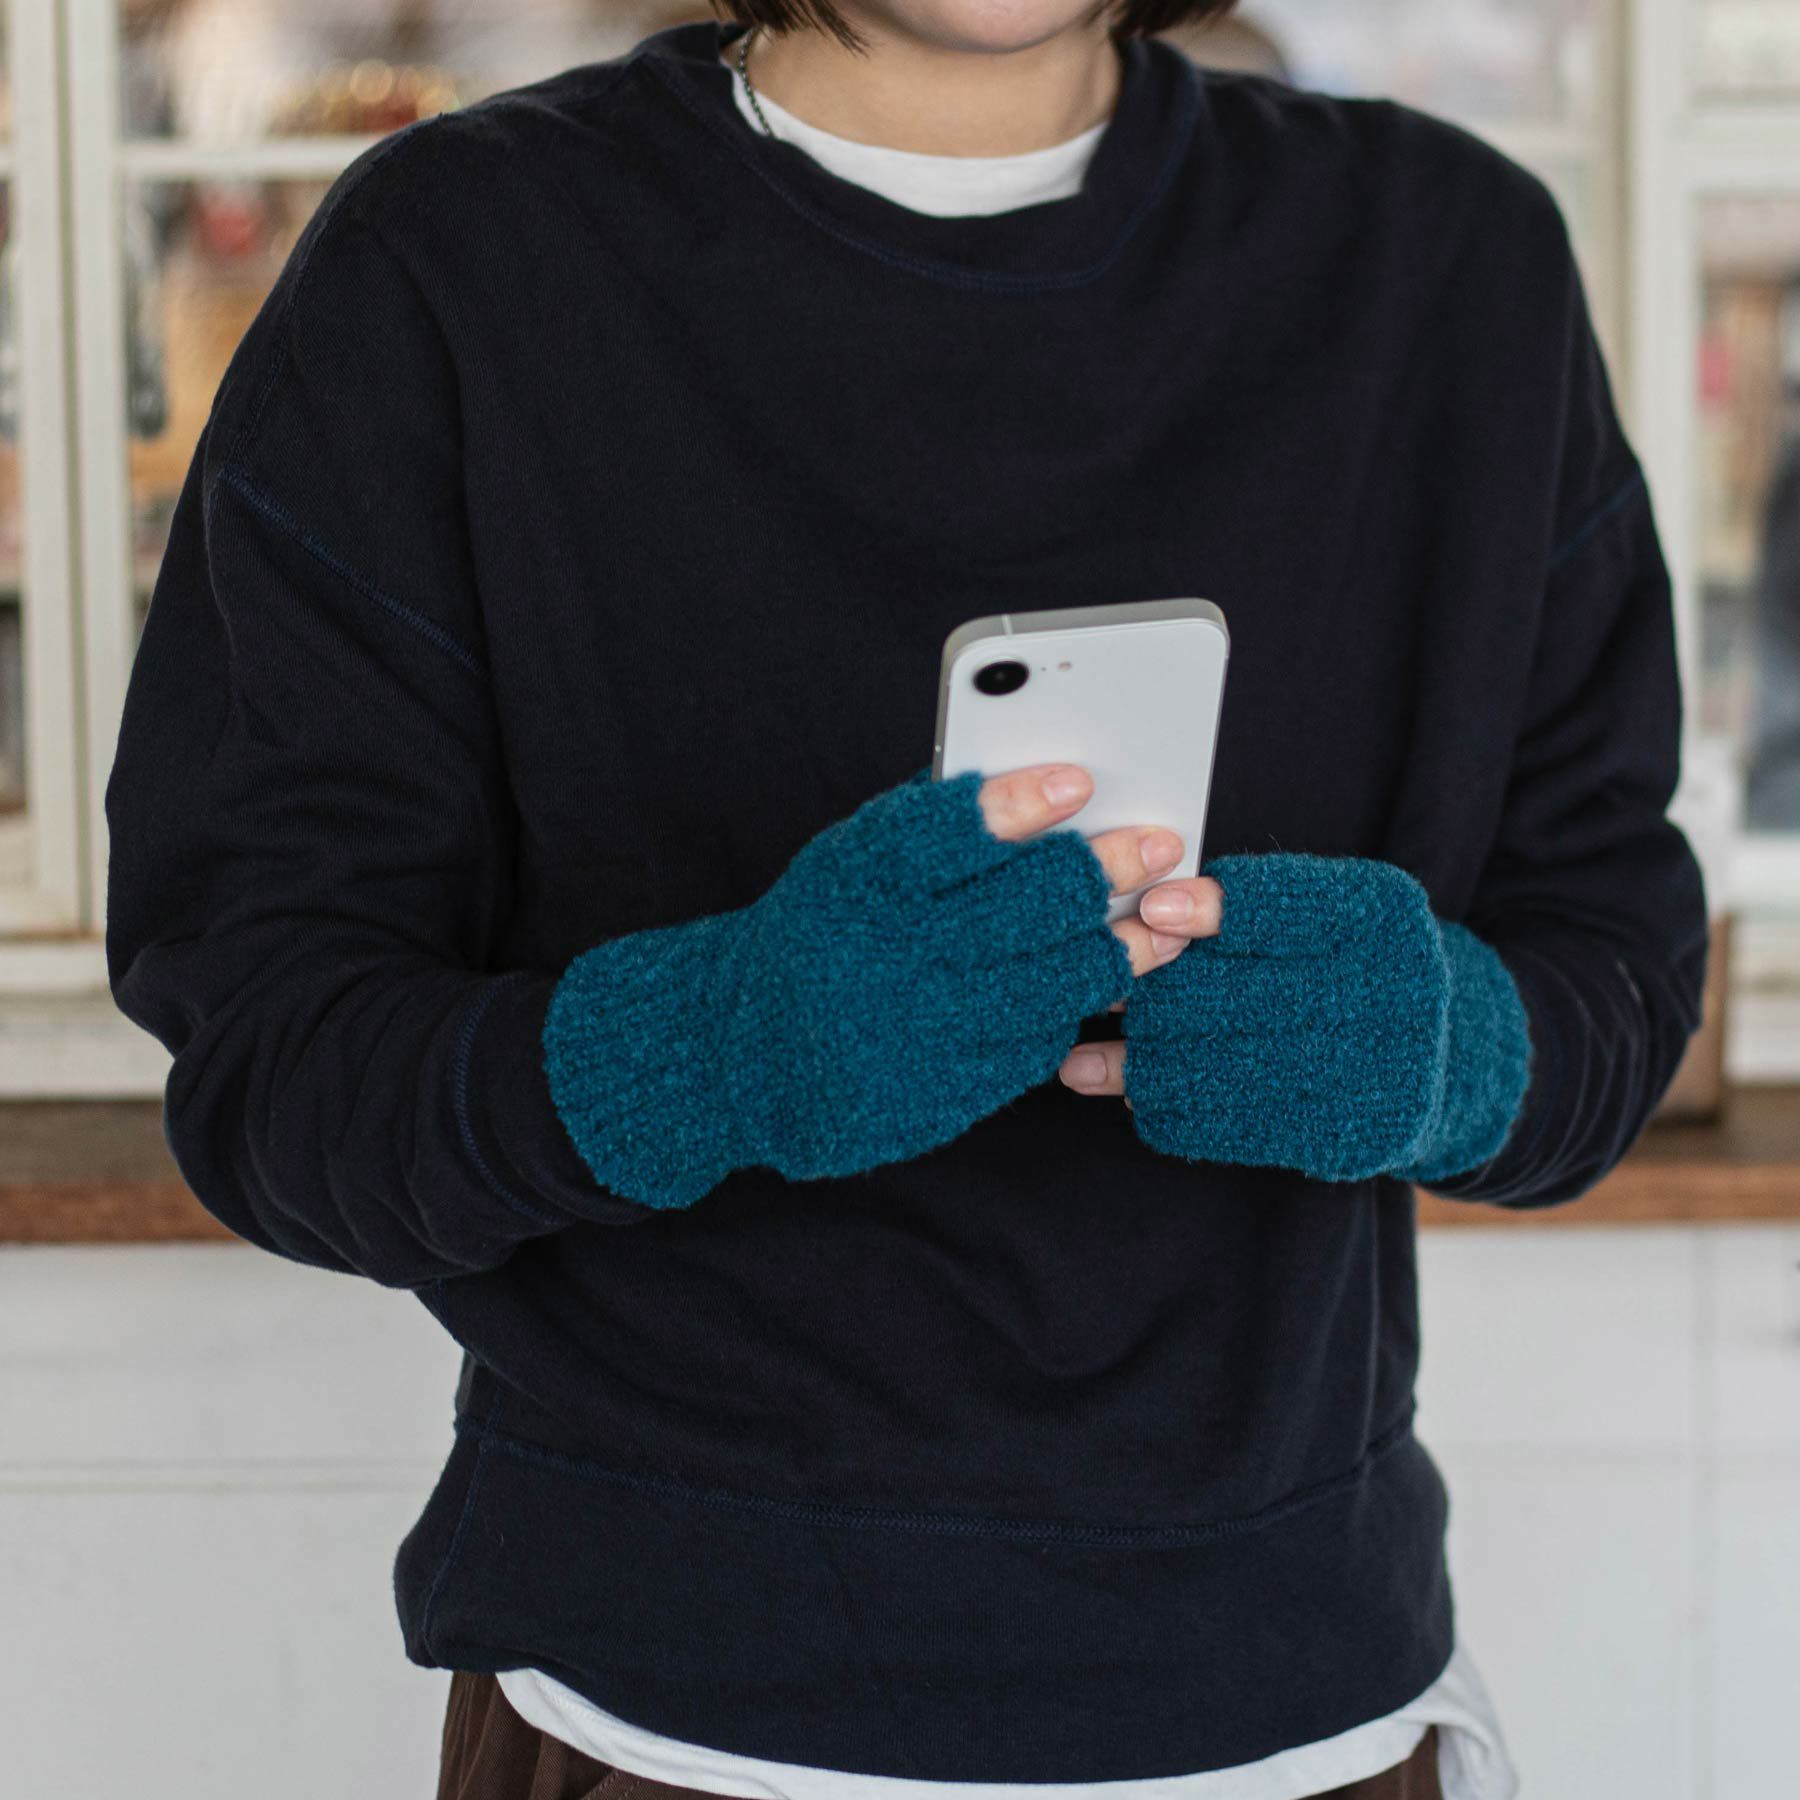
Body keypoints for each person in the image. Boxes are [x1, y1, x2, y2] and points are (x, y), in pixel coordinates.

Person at [102, 3, 1708, 1798]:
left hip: (1303, 1704)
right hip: (673, 1719)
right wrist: (714, 1046)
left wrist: (1439, 1050)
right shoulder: (458, 263)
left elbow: (1617, 976)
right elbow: (275, 1071)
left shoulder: (1451, 266)